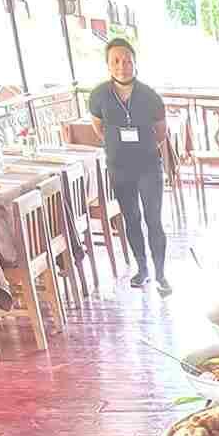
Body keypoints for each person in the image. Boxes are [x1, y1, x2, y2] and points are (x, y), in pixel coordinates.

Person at [86, 37, 171, 294]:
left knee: (153, 220)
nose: (122, 65)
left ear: (135, 63)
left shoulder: (149, 95)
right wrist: (118, 146)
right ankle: (141, 268)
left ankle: (160, 273)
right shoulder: (99, 95)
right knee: (131, 219)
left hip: (147, 165)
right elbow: (99, 128)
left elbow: (161, 131)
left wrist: (141, 148)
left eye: (127, 60)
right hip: (119, 167)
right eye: (116, 61)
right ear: (108, 65)